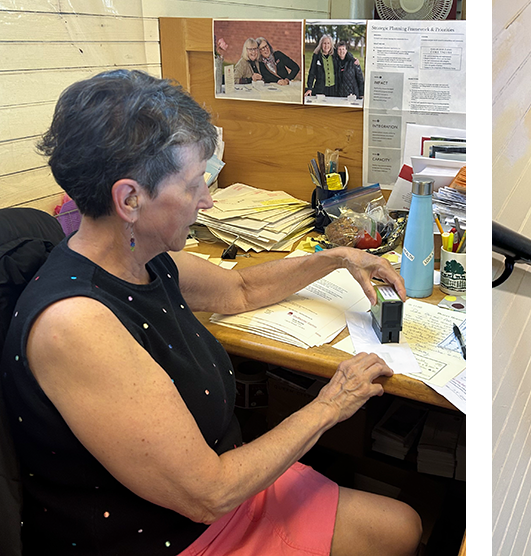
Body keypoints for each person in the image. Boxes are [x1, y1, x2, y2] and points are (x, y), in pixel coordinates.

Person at [1, 70, 422, 555]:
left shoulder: (140, 257)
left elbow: (240, 288)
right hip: (174, 529)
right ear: (129, 199)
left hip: (220, 484)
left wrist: (337, 257)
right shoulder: (76, 324)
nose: (207, 200)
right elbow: (209, 493)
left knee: (401, 526)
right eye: (194, 184)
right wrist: (332, 404)